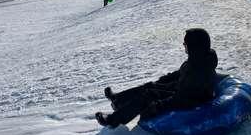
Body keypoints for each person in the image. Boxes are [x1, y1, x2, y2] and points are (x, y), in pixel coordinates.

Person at [95, 28, 226, 128]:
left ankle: (113, 120)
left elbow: (183, 99)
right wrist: (165, 79)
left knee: (147, 96)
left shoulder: (199, 71)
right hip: (181, 89)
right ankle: (118, 100)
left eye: (185, 43)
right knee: (150, 86)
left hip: (189, 101)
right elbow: (181, 72)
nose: (183, 45)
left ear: (194, 46)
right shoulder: (199, 58)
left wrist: (157, 107)